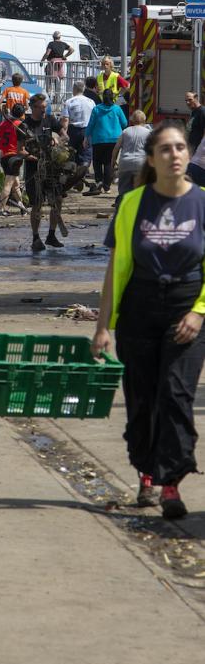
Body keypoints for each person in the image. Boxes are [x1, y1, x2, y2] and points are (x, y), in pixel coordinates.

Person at [93, 122, 205, 519]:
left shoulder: (203, 203)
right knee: (142, 395)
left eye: (180, 148)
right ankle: (146, 475)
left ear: (188, 156)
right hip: (139, 307)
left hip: (186, 306)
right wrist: (103, 325)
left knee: (176, 394)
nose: (174, 155)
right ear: (153, 159)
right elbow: (117, 267)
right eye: (165, 149)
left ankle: (171, 482)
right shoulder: (132, 203)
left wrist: (198, 311)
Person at [21, 92, 68, 251]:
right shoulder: (25, 125)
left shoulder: (50, 120)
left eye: (45, 107)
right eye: (41, 108)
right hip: (34, 170)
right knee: (37, 204)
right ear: (33, 107)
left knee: (58, 199)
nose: (43, 110)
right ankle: (35, 237)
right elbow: (19, 150)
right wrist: (32, 157)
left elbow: (64, 134)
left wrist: (58, 140)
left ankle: (51, 235)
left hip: (51, 167)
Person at [84, 88, 127, 195]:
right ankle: (107, 187)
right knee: (108, 162)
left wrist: (86, 137)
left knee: (97, 162)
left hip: (98, 139)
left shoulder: (96, 109)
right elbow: (125, 123)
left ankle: (99, 182)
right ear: (113, 97)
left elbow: (91, 125)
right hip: (114, 139)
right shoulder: (117, 109)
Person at [0, 103, 28, 215]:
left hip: (3, 156)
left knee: (15, 184)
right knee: (8, 184)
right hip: (14, 156)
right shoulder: (20, 125)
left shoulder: (4, 123)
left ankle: (22, 207)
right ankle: (1, 209)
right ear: (22, 114)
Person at [112, 110, 150, 199]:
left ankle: (122, 208)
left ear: (132, 120)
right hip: (141, 165)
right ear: (144, 120)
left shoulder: (125, 131)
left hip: (125, 164)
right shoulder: (148, 133)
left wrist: (113, 161)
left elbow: (116, 148)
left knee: (123, 191)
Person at [61, 80, 96, 166]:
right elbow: (95, 118)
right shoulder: (91, 102)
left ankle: (74, 171)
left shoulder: (69, 102)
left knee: (72, 152)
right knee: (86, 152)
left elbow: (65, 119)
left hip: (73, 131)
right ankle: (84, 170)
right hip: (87, 130)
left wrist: (64, 133)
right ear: (83, 90)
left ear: (74, 89)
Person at [41, 31, 73, 95]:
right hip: (60, 63)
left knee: (49, 80)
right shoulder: (63, 44)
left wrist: (42, 60)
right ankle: (57, 97)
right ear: (60, 37)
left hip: (52, 63)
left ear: (53, 37)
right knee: (58, 80)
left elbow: (47, 53)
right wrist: (65, 56)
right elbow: (72, 50)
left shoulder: (51, 44)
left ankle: (49, 96)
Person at [185, 91, 205, 186]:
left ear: (196, 98)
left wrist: (199, 151)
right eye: (186, 100)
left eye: (190, 100)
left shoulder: (202, 112)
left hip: (197, 153)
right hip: (191, 151)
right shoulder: (194, 112)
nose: (188, 103)